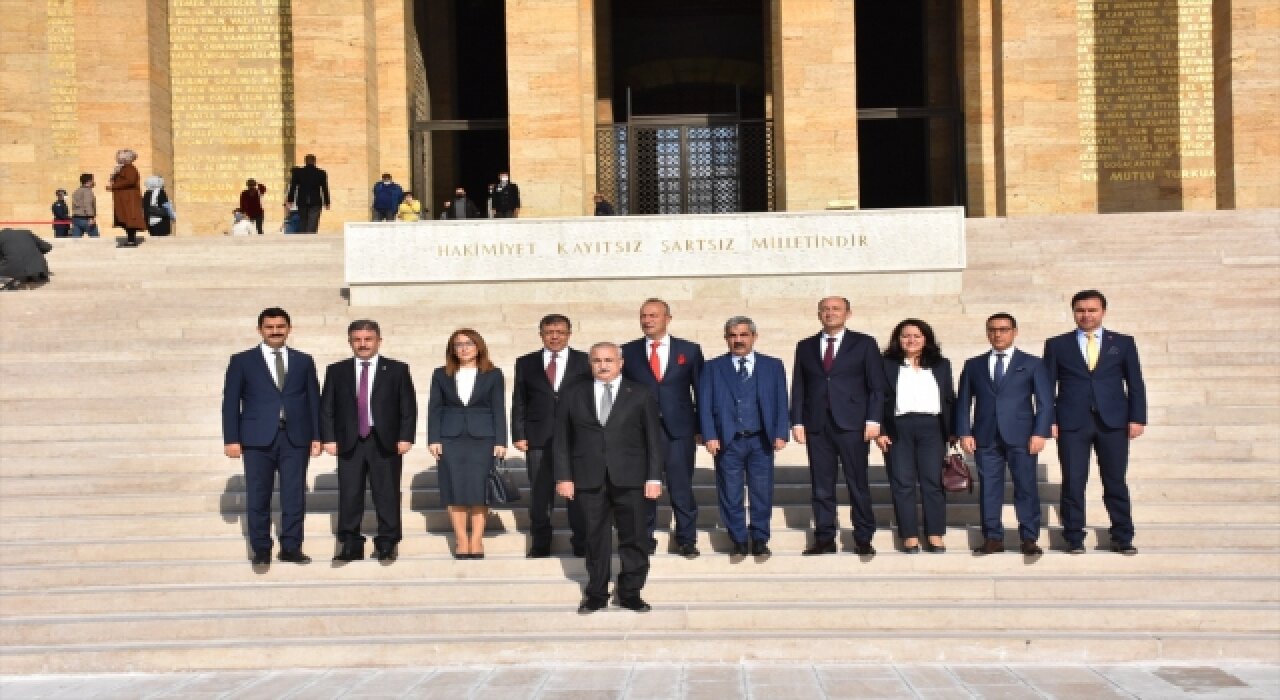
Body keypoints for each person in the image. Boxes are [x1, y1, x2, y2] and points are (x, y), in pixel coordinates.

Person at [554, 342, 664, 614]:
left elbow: (653, 440)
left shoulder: (640, 393)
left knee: (635, 537)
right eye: (597, 360)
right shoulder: (572, 394)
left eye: (608, 360)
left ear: (620, 362)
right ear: (589, 363)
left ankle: (630, 592)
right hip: (587, 478)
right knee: (594, 538)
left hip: (632, 477)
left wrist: (654, 477)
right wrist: (564, 476)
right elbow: (561, 440)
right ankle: (596, 593)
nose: (603, 365)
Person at [1043, 289, 1147, 555]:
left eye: (1092, 310)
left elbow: (1135, 383)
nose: (1086, 315)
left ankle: (1123, 535)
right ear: (1074, 312)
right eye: (1081, 310)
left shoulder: (1122, 343)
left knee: (1115, 481)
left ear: (1103, 312)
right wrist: (1049, 420)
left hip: (1113, 422)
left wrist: (1137, 417)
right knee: (1073, 481)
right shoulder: (1057, 345)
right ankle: (1074, 537)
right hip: (1071, 423)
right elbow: (1046, 387)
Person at [221, 307, 321, 567]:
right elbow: (230, 403)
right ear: (260, 330)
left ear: (289, 328)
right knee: (258, 494)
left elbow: (314, 401)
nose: (275, 331)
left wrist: (317, 436)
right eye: (269, 327)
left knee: (294, 495)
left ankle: (291, 546)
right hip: (256, 439)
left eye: (280, 326)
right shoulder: (242, 361)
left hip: (295, 438)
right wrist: (231, 439)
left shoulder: (303, 361)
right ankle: (261, 549)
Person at [790, 296, 886, 557]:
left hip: (853, 424)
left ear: (848, 313)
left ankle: (863, 537)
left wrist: (874, 420)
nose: (830, 313)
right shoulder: (806, 346)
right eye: (826, 310)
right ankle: (824, 538)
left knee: (858, 483)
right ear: (819, 314)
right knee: (821, 485)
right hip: (818, 425)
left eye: (836, 309)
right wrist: (797, 421)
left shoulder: (864, 343)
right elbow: (799, 386)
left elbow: (877, 386)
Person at [955, 312, 1054, 557]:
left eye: (1004, 329)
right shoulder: (974, 364)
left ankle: (1029, 537)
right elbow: (963, 401)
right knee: (989, 487)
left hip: (1022, 435)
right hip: (985, 436)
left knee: (1026, 487)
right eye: (992, 329)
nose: (997, 334)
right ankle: (992, 537)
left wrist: (1040, 432)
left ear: (1015, 332)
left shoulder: (1032, 363)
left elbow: (1045, 401)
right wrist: (964, 432)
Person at [321, 320, 417, 562]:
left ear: (378, 341)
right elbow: (327, 408)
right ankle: (350, 542)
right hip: (349, 442)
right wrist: (329, 438)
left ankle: (387, 542)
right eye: (357, 340)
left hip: (384, 441)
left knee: (387, 493)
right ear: (350, 342)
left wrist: (406, 436)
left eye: (368, 339)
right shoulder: (337, 370)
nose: (363, 344)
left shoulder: (397, 369)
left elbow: (407, 406)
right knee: (350, 493)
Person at [698, 316, 789, 560]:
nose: (738, 340)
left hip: (761, 439)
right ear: (726, 338)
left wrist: (781, 432)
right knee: (730, 492)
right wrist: (709, 435)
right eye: (733, 335)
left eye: (743, 335)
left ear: (754, 337)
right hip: (728, 440)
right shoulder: (712, 367)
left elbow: (782, 400)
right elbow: (704, 404)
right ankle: (738, 539)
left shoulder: (773, 365)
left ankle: (759, 538)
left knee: (762, 490)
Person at [621, 298, 704, 558]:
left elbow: (701, 392)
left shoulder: (689, 350)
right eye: (644, 316)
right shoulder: (628, 351)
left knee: (681, 486)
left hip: (678, 431)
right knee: (644, 487)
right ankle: (644, 539)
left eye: (654, 316)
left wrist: (702, 428)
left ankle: (687, 538)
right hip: (641, 432)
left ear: (668, 318)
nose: (648, 320)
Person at [511, 314, 592, 558]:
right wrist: (518, 433)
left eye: (560, 332)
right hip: (538, 437)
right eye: (549, 332)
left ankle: (581, 542)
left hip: (576, 438)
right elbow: (520, 401)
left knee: (576, 493)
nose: (554, 336)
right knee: (540, 493)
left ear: (569, 334)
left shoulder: (583, 361)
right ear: (541, 335)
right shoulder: (526, 363)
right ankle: (541, 542)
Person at [876, 319, 956, 554]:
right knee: (902, 483)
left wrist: (952, 430)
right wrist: (880, 430)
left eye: (917, 336)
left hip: (932, 427)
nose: (911, 340)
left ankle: (935, 534)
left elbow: (949, 397)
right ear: (897, 339)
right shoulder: (886, 364)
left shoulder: (941, 364)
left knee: (933, 483)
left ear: (926, 339)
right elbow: (877, 398)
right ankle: (909, 535)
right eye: (905, 336)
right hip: (898, 427)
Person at [427, 329, 507, 559]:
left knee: (479, 492)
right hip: (450, 438)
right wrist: (434, 438)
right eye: (458, 344)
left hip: (483, 438)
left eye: (469, 343)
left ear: (478, 346)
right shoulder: (441, 374)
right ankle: (461, 539)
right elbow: (435, 408)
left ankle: (476, 540)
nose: (464, 348)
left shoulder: (492, 374)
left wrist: (501, 440)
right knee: (455, 490)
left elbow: (498, 408)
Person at [105, 149, 146, 247]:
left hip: (129, 200)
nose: (117, 158)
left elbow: (130, 181)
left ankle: (131, 240)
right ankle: (130, 239)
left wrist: (113, 186)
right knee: (124, 220)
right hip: (123, 199)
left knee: (129, 220)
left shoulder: (130, 168)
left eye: (118, 157)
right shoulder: (123, 168)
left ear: (125, 158)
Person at [288, 154, 330, 233]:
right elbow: (325, 188)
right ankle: (311, 240)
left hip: (302, 201)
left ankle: (303, 240)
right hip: (315, 201)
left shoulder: (298, 172)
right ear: (314, 161)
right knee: (313, 224)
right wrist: (327, 202)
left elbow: (293, 187)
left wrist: (290, 200)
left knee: (303, 222)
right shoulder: (321, 173)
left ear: (305, 161)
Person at [70, 174, 99, 238]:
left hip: (76, 218)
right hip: (85, 218)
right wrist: (91, 217)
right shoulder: (87, 191)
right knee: (96, 240)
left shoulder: (76, 191)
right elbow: (87, 204)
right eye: (92, 180)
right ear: (89, 181)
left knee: (76, 241)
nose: (93, 182)